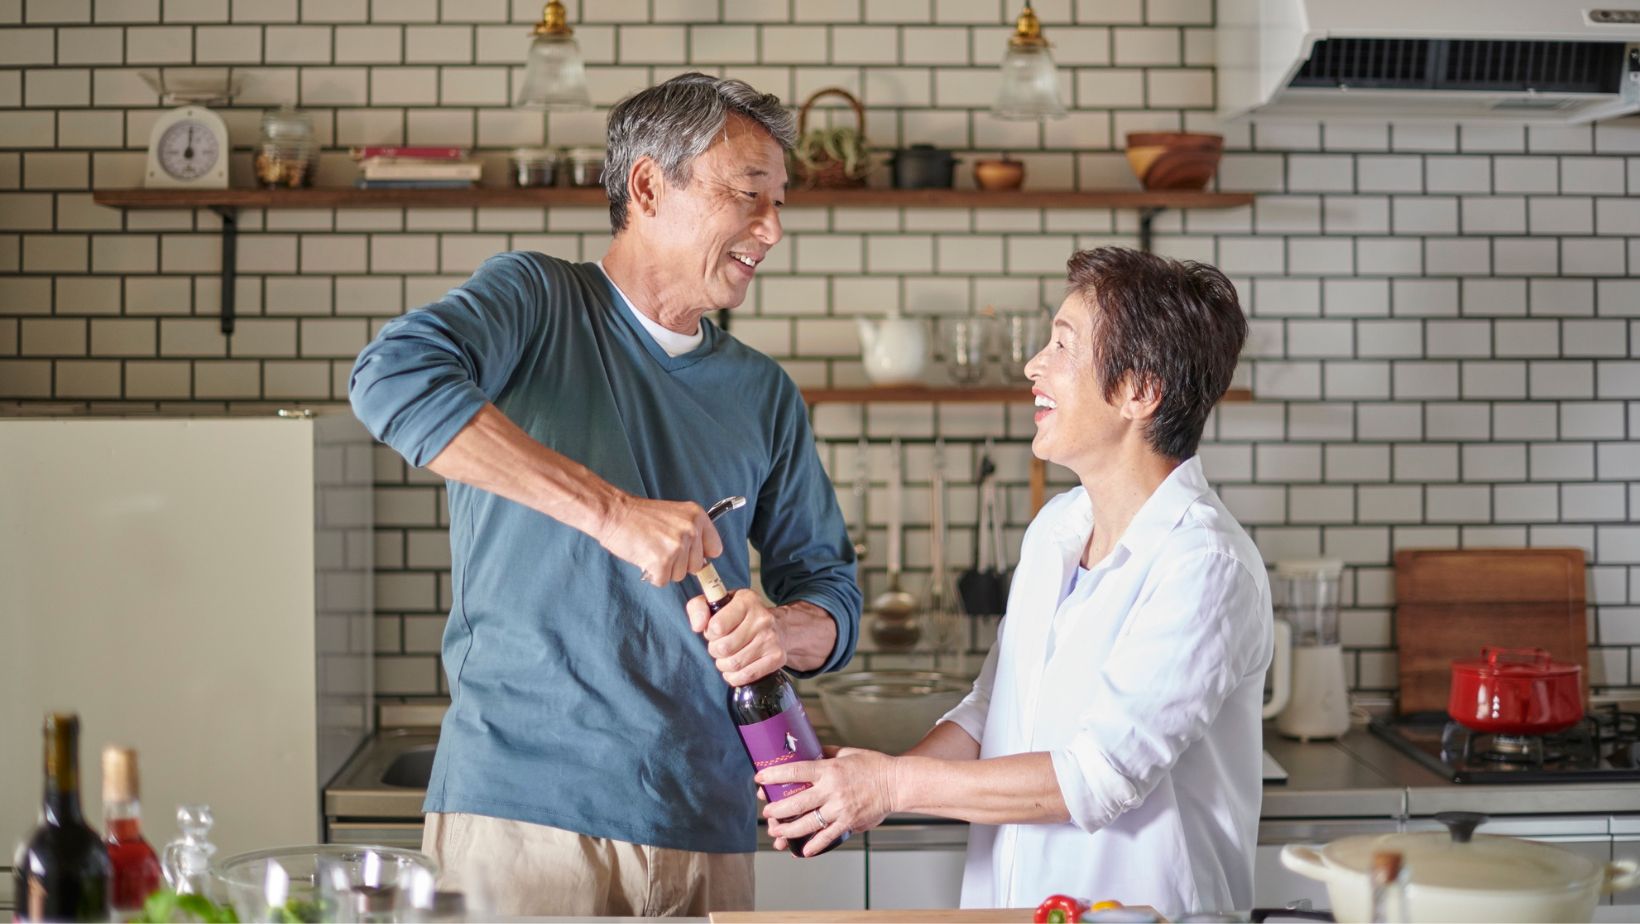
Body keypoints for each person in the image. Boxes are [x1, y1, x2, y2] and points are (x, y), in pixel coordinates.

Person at [348, 72, 862, 918]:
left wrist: (784, 629)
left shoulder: (763, 392)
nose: (772, 229)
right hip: (527, 818)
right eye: (748, 196)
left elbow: (833, 592)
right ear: (650, 185)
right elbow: (389, 377)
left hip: (709, 823)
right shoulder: (536, 302)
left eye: (778, 202)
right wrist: (612, 514)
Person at [756, 246, 1272, 919]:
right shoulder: (1058, 529)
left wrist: (888, 785)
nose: (1035, 364)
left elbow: (1095, 778)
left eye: (1063, 345)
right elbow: (990, 712)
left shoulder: (1203, 565)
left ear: (1139, 393)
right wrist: (862, 787)